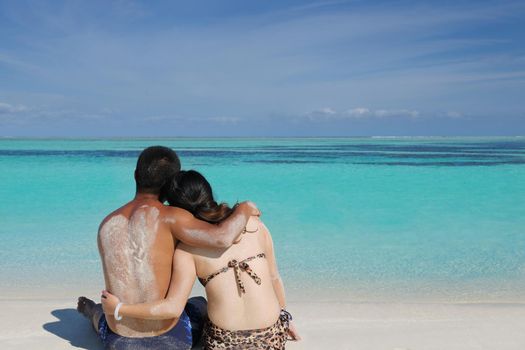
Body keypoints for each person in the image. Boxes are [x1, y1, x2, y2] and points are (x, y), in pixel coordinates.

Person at [77, 146, 259, 350]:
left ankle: (91, 310)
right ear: (171, 184)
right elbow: (223, 238)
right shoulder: (172, 217)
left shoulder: (107, 223)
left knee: (104, 314)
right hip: (170, 340)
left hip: (118, 340)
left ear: (136, 175)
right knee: (199, 303)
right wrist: (244, 207)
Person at [101, 170, 301, 349]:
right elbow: (274, 278)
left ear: (178, 209)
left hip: (224, 343)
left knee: (198, 308)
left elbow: (172, 307)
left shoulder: (186, 250)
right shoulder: (255, 224)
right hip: (271, 338)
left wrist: (119, 308)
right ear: (208, 192)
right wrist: (285, 318)